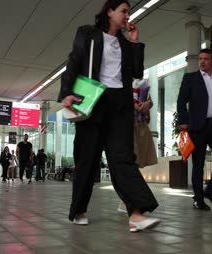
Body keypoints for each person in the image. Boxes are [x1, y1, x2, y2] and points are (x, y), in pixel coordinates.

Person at [59, 0, 159, 231]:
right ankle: (79, 209)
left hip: (120, 105)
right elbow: (73, 63)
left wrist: (134, 43)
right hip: (93, 101)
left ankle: (136, 214)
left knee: (123, 158)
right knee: (87, 159)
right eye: (123, 11)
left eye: (129, 12)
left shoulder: (124, 43)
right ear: (109, 11)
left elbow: (136, 72)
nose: (127, 15)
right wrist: (66, 93)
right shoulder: (88, 34)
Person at [177, 48, 212, 210]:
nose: (202, 61)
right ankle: (198, 199)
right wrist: (183, 121)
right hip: (197, 127)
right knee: (198, 164)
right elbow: (181, 101)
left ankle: (210, 190)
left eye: (206, 59)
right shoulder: (190, 78)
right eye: (200, 58)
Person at [117, 79, 158, 213]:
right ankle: (127, 201)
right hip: (125, 125)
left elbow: (149, 101)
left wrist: (147, 105)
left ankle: (127, 201)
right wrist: (133, 105)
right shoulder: (117, 79)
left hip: (140, 125)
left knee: (136, 161)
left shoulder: (141, 82)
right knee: (130, 161)